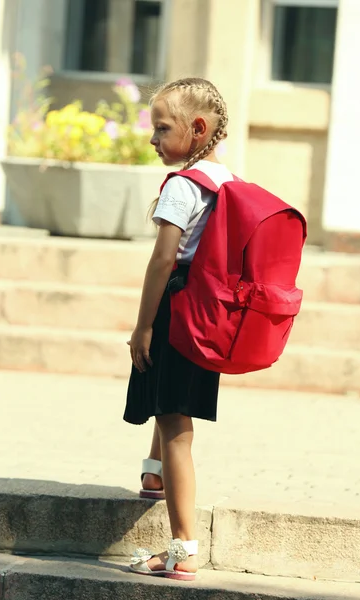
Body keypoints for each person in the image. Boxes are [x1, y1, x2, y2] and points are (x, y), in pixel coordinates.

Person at [124, 77, 231, 581]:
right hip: (208, 314)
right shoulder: (225, 180)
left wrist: (142, 326)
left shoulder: (183, 186)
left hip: (175, 311)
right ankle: (153, 474)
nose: (153, 139)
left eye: (161, 128)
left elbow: (163, 259)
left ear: (197, 128)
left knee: (176, 428)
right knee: (171, 406)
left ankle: (182, 548)